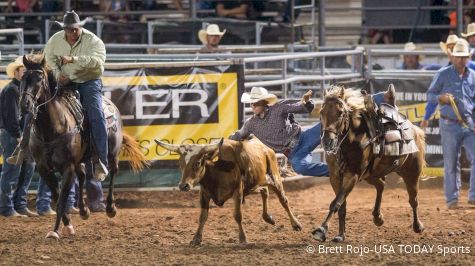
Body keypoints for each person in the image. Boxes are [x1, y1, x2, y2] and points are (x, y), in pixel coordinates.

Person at [8, 11, 109, 185]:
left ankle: (100, 161)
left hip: (88, 81)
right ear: (64, 29)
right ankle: (22, 147)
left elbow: (98, 64)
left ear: (79, 27)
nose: (71, 33)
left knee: (95, 113)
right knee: (37, 107)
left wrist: (74, 59)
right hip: (63, 81)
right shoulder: (55, 40)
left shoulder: (93, 41)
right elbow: (49, 60)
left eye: (74, 29)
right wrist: (57, 72)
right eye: (68, 29)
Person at [421, 39, 475, 209]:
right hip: (449, 124)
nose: (461, 60)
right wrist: (440, 98)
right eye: (458, 57)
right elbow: (430, 95)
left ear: (468, 57)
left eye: (464, 57)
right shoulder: (443, 74)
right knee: (451, 162)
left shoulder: (472, 76)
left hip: (468, 123)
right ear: (453, 57)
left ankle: (473, 196)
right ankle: (452, 199)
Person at [229, 87, 329, 177]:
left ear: (264, 102)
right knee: (299, 167)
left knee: (329, 123)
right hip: (293, 153)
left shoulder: (278, 108)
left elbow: (302, 107)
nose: (253, 106)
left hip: (304, 137)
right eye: (251, 103)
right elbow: (239, 135)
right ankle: (334, 171)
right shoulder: (250, 124)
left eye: (256, 102)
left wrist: (306, 102)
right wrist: (227, 139)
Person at [0, 57, 37, 217]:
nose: (25, 73)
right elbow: (11, 117)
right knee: (12, 170)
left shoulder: (18, 90)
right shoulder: (12, 90)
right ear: (16, 72)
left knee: (26, 168)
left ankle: (18, 204)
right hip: (13, 135)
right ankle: (7, 207)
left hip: (19, 134)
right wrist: (18, 136)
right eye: (23, 70)